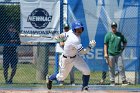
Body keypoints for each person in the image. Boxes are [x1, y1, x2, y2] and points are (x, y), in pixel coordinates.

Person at [47, 20, 96, 91]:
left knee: (86, 71)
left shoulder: (70, 32)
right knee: (61, 77)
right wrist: (90, 46)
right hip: (66, 59)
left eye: (80, 28)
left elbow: (64, 34)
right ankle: (50, 78)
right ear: (74, 29)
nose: (79, 30)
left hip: (75, 57)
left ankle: (85, 87)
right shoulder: (75, 40)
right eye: (77, 29)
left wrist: (60, 36)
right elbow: (83, 52)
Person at [104, 21, 129, 86]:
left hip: (118, 54)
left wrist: (122, 49)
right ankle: (112, 81)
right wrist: (105, 53)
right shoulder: (108, 35)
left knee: (121, 67)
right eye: (112, 27)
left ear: (116, 27)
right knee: (111, 68)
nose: (113, 28)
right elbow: (105, 44)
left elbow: (125, 42)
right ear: (111, 27)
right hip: (111, 54)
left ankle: (123, 80)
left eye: (114, 27)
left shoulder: (120, 35)